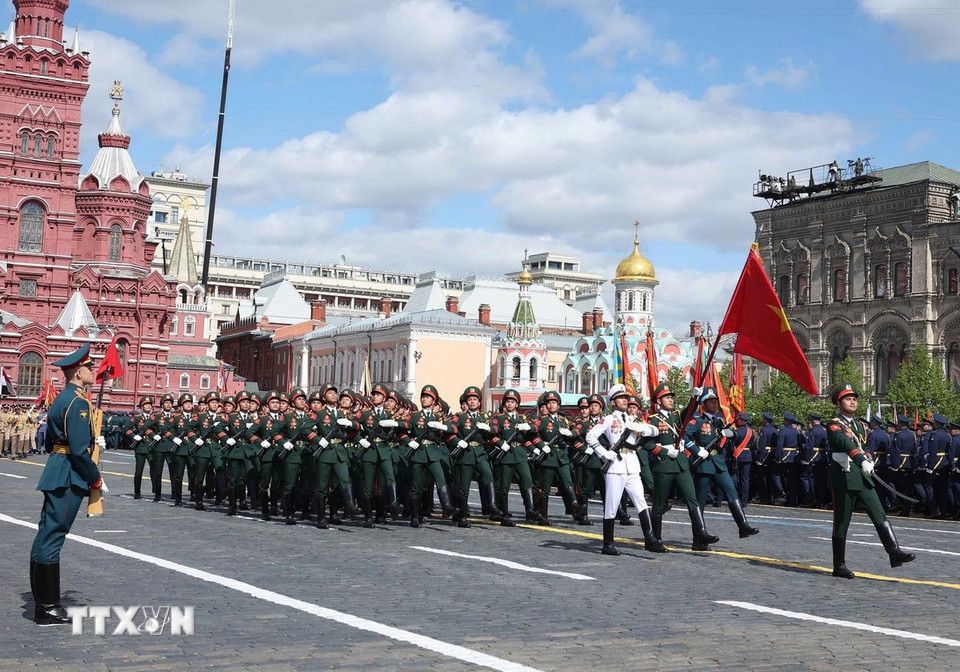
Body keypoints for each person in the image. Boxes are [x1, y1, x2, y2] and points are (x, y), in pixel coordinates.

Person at [29, 343, 104, 626]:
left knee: (45, 534)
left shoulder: (62, 399)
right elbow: (77, 450)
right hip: (69, 475)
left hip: (56, 470)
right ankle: (48, 607)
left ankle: (43, 604)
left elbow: (50, 442)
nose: (92, 371)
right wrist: (94, 476)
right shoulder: (79, 402)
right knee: (54, 536)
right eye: (88, 368)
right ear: (77, 374)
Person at [827, 383, 915, 579]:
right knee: (841, 522)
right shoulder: (834, 424)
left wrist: (868, 458)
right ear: (839, 402)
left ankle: (894, 553)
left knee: (879, 512)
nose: (852, 401)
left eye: (854, 398)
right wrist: (860, 459)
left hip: (862, 476)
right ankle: (839, 565)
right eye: (848, 398)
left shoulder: (859, 425)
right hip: (844, 477)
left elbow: (864, 444)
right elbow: (845, 443)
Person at [585, 384, 664, 555]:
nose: (625, 400)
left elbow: (654, 430)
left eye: (626, 398)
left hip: (632, 465)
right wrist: (604, 453)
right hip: (615, 466)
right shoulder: (607, 419)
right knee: (612, 506)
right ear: (613, 402)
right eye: (621, 398)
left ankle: (650, 539)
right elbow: (590, 436)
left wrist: (640, 428)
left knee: (640, 501)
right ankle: (608, 543)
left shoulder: (631, 419)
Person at [642, 383, 718, 551]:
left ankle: (702, 532)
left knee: (693, 498)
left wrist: (694, 398)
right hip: (664, 465)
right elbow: (645, 444)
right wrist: (663, 451)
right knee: (659, 504)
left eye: (671, 397)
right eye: (667, 397)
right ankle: (655, 540)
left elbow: (687, 413)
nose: (671, 400)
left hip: (681, 463)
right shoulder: (652, 419)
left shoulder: (676, 416)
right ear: (659, 400)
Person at [683, 387, 759, 539]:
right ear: (703, 404)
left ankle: (743, 526)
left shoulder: (719, 422)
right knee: (700, 502)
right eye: (711, 401)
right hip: (703, 463)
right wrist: (696, 450)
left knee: (731, 491)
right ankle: (699, 539)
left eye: (716, 401)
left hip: (718, 462)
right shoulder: (697, 421)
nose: (715, 404)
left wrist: (733, 434)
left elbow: (733, 434)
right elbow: (683, 435)